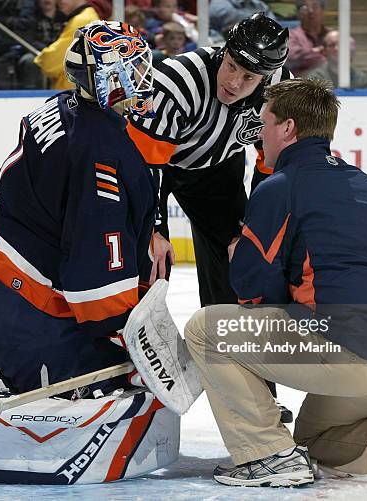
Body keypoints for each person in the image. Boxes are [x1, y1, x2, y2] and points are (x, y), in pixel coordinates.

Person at [184, 78, 367, 489]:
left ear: (287, 128)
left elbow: (252, 292)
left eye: (264, 121)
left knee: (207, 330)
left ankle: (266, 456)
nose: (258, 132)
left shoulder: (280, 187)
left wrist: (239, 256)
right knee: (309, 442)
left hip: (349, 352)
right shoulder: (361, 182)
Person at [0, 20, 157, 396]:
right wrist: (129, 336)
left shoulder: (59, 108)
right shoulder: (101, 152)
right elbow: (96, 266)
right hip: (30, 314)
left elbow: (2, 193)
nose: (143, 76)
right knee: (126, 392)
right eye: (132, 67)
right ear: (105, 79)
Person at [126, 13, 293, 421]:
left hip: (218, 173)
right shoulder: (177, 80)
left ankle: (252, 390)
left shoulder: (279, 86)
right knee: (143, 265)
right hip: (156, 169)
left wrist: (254, 227)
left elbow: (270, 161)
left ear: (267, 76)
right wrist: (154, 227)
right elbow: (145, 164)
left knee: (243, 269)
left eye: (249, 77)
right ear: (223, 53)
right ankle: (124, 381)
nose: (234, 82)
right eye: (232, 65)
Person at [34, 0, 99, 89]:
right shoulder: (87, 17)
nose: (59, 1)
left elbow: (49, 64)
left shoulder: (81, 21)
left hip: (71, 93)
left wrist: (42, 58)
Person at [286, 0, 328, 76]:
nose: (310, 11)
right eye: (305, 8)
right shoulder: (291, 35)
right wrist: (320, 53)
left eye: (315, 7)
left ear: (322, 11)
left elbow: (347, 51)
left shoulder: (331, 35)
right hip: (301, 84)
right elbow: (292, 57)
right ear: (298, 13)